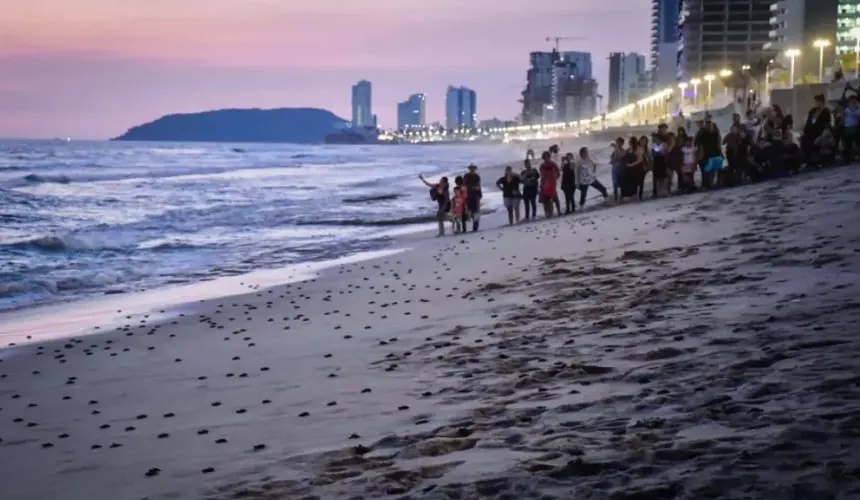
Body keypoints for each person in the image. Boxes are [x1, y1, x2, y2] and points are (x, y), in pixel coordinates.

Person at [801, 94, 832, 167]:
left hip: (819, 132)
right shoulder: (812, 111)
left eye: (818, 101)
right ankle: (807, 160)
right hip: (809, 132)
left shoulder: (826, 112)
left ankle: (814, 160)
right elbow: (808, 122)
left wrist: (821, 136)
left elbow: (826, 126)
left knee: (812, 141)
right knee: (804, 140)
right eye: (816, 101)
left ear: (822, 102)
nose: (816, 103)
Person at [694, 114, 722, 188]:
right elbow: (696, 143)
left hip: (715, 153)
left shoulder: (716, 134)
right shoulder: (702, 134)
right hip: (705, 155)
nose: (709, 126)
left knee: (715, 170)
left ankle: (714, 183)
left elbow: (719, 143)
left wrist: (720, 152)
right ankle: (707, 184)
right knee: (707, 171)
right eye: (707, 124)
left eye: (710, 125)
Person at [538, 151, 560, 217]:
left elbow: (558, 173)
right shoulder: (542, 165)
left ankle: (557, 211)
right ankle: (547, 213)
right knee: (545, 200)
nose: (546, 158)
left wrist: (554, 178)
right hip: (545, 184)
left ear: (549, 157)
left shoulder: (553, 164)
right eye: (544, 157)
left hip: (552, 183)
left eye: (547, 156)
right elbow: (541, 174)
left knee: (554, 198)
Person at [463, 164, 482, 232]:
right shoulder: (466, 176)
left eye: (473, 168)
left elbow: (479, 185)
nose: (472, 169)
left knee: (476, 211)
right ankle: (474, 225)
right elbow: (464, 185)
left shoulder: (477, 176)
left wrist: (479, 194)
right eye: (471, 168)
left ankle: (475, 227)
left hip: (475, 195)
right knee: (470, 211)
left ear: (475, 169)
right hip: (468, 195)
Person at [841, 95, 860, 165]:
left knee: (855, 140)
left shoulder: (857, 108)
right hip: (847, 128)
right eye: (851, 101)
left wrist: (852, 109)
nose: (852, 103)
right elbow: (843, 118)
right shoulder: (846, 109)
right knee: (847, 143)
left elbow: (857, 116)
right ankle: (846, 159)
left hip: (854, 128)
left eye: (853, 101)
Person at [610, 137, 626, 202]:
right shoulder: (614, 152)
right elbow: (611, 161)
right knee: (615, 185)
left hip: (621, 169)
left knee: (621, 184)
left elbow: (620, 155)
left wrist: (616, 148)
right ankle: (616, 199)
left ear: (622, 143)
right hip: (614, 169)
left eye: (618, 143)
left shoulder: (623, 151)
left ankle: (621, 198)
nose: (617, 144)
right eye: (617, 142)